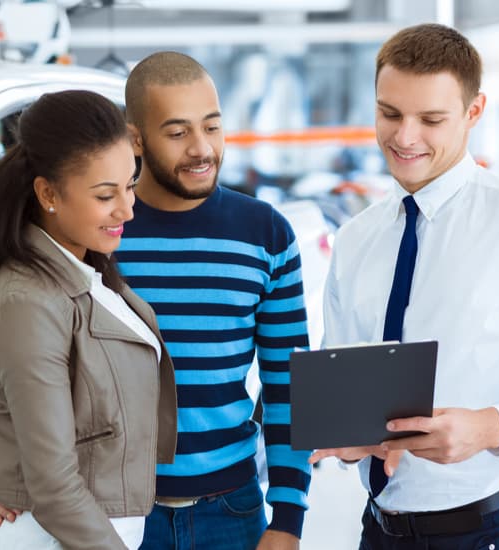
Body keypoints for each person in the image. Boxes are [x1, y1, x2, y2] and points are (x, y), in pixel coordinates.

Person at [308, 24, 499, 549]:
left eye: (431, 119)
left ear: (475, 112)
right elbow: (343, 370)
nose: (405, 137)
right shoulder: (356, 238)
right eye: (390, 114)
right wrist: (343, 438)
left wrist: (491, 426)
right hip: (378, 531)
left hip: (485, 532)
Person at [0, 89, 178, 550]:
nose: (127, 209)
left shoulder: (84, 267)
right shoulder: (29, 300)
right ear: (47, 193)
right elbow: (54, 485)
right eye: (106, 195)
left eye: (129, 185)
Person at [120, 51, 311, 549]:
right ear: (136, 138)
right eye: (178, 132)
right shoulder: (102, 233)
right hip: (117, 514)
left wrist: (288, 518)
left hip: (234, 510)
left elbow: (289, 382)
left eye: (212, 127)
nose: (202, 148)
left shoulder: (266, 233)